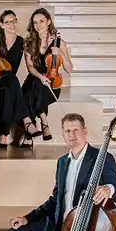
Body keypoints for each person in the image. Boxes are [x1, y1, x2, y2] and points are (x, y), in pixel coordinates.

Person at [0, 10, 40, 148]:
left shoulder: (21, 42)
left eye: (14, 21)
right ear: (2, 25)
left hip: (7, 84)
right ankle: (27, 121)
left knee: (8, 90)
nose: (11, 24)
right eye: (7, 22)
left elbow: (30, 62)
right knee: (13, 81)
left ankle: (3, 135)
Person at [22, 8, 74, 141]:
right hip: (35, 79)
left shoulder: (59, 43)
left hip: (52, 84)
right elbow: (30, 66)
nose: (38, 25)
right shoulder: (29, 43)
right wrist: (40, 76)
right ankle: (44, 121)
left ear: (49, 21)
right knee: (36, 84)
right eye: (35, 22)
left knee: (30, 93)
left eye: (41, 21)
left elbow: (69, 69)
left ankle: (29, 133)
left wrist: (61, 53)